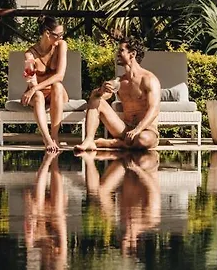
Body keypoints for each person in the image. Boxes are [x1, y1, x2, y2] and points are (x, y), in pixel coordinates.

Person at [76, 37, 160, 151]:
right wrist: (101, 90)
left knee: (143, 139)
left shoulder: (149, 79)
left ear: (132, 54)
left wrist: (138, 129)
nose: (117, 54)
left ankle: (116, 143)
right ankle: (89, 140)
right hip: (124, 129)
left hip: (146, 130)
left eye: (121, 50)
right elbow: (95, 98)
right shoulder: (120, 81)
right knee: (96, 99)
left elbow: (154, 110)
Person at [80, 150, 161, 256]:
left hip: (125, 167)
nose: (122, 239)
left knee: (98, 192)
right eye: (127, 242)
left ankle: (88, 158)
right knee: (143, 162)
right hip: (146, 169)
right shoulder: (150, 220)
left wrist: (103, 203)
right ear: (134, 242)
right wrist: (138, 170)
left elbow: (104, 194)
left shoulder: (119, 220)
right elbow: (153, 189)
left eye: (121, 242)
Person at [21, 16, 68, 152]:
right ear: (47, 33)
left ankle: (55, 136)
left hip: (57, 93)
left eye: (62, 34)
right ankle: (47, 139)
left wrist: (34, 88)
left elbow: (60, 76)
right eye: (58, 35)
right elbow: (31, 81)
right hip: (38, 93)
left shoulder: (61, 45)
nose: (61, 38)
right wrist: (34, 88)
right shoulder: (30, 55)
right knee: (38, 96)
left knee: (57, 86)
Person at [24, 152, 68, 270]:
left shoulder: (34, 242)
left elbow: (29, 215)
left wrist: (32, 215)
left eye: (49, 257)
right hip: (54, 206)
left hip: (38, 202)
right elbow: (62, 227)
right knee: (58, 212)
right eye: (53, 256)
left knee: (38, 209)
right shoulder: (58, 246)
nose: (51, 253)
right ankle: (54, 161)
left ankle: (47, 160)